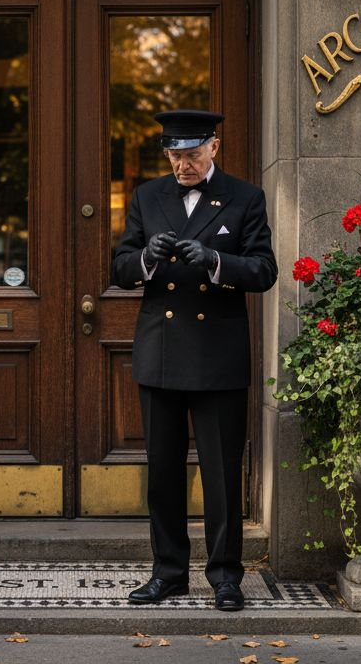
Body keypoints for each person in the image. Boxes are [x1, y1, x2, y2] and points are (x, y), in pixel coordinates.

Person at [111, 109, 276, 612]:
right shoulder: (147, 196)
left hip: (216, 356)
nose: (180, 165)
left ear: (214, 147)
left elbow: (265, 269)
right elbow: (119, 267)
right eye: (173, 155)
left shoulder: (246, 197)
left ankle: (226, 576)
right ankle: (168, 574)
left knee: (221, 473)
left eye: (190, 154)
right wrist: (147, 259)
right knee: (163, 473)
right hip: (161, 351)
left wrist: (217, 263)